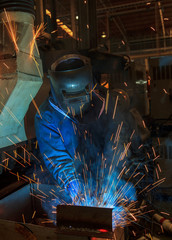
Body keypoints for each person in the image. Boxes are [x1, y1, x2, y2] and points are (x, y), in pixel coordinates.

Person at [35, 52, 148, 205]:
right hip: (74, 173)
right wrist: (71, 182)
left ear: (89, 87)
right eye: (70, 98)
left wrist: (111, 176)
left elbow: (117, 139)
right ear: (57, 90)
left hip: (106, 170)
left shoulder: (106, 103)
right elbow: (55, 156)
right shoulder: (46, 116)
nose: (77, 107)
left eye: (81, 97)